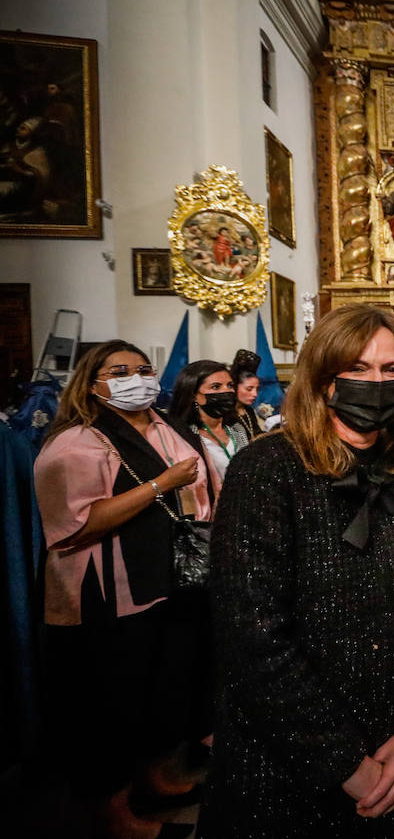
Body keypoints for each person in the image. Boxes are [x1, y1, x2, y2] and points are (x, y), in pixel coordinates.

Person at [202, 305, 394, 838]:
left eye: (391, 369)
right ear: (322, 378)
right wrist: (344, 764)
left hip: (393, 742)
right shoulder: (266, 470)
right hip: (288, 758)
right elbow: (253, 638)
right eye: (357, 368)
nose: (375, 382)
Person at [34, 340, 211, 839]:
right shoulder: (75, 444)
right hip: (107, 589)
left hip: (168, 578)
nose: (136, 377)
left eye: (143, 368)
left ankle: (153, 778)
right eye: (120, 371)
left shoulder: (162, 425)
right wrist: (160, 484)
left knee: (161, 686)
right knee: (111, 702)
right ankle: (113, 811)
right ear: (93, 383)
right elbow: (74, 526)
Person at [169, 360, 238, 495]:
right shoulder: (182, 435)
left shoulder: (237, 429)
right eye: (216, 387)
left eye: (230, 385)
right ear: (193, 395)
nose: (227, 391)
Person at [229, 349, 264, 441]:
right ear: (235, 387)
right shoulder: (227, 415)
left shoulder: (248, 410)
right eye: (249, 389)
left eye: (257, 389)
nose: (255, 394)